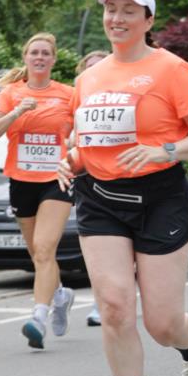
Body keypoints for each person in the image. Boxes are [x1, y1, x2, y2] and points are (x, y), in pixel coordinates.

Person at [58, 0, 188, 376]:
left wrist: (163, 150)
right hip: (100, 198)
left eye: (130, 10)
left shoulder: (171, 69)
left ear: (149, 21)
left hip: (160, 197)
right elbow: (86, 143)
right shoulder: (88, 78)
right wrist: (68, 159)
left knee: (163, 323)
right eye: (111, 9)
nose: (117, 18)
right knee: (112, 306)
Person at [0, 33, 75, 350]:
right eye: (34, 52)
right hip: (21, 180)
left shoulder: (68, 94)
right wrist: (16, 113)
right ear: (25, 58)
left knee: (44, 248)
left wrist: (74, 150)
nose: (39, 57)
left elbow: (83, 132)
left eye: (45, 53)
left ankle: (38, 317)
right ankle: (61, 295)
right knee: (38, 253)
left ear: (53, 60)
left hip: (57, 179)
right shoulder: (11, 94)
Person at [75, 50, 110, 325]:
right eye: (89, 69)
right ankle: (102, 303)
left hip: (126, 184)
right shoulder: (80, 97)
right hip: (89, 185)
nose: (94, 73)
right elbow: (69, 138)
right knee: (100, 258)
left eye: (99, 66)